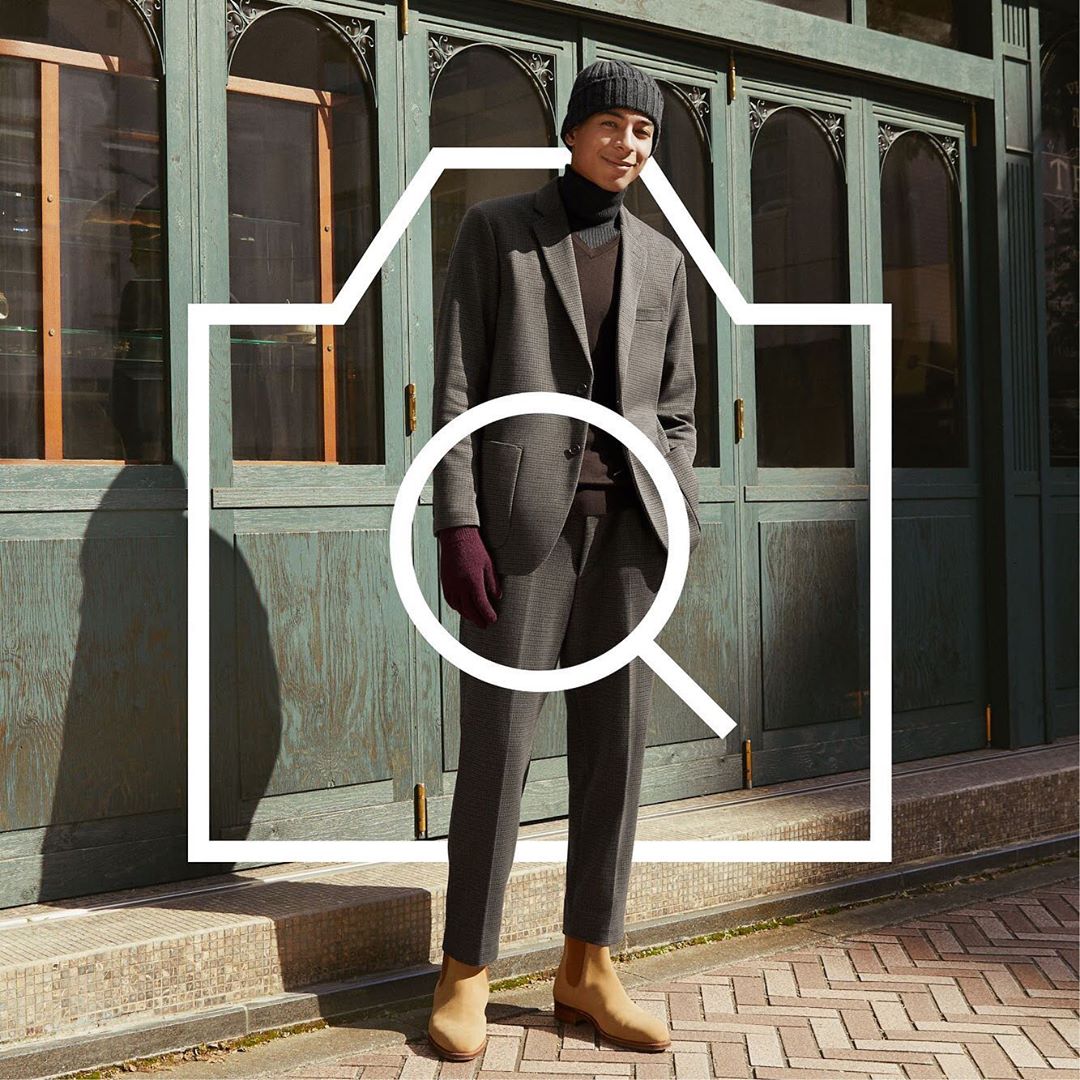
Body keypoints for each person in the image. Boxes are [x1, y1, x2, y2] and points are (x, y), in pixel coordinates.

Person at [427, 58, 702, 1062]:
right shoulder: (497, 232)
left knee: (615, 762)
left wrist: (679, 507)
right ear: (574, 130)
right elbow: (456, 388)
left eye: (646, 132)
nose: (629, 145)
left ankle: (590, 963)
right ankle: (466, 969)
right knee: (498, 752)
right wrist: (457, 522)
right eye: (614, 125)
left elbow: (676, 409)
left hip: (631, 536)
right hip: (519, 536)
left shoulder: (666, 263)